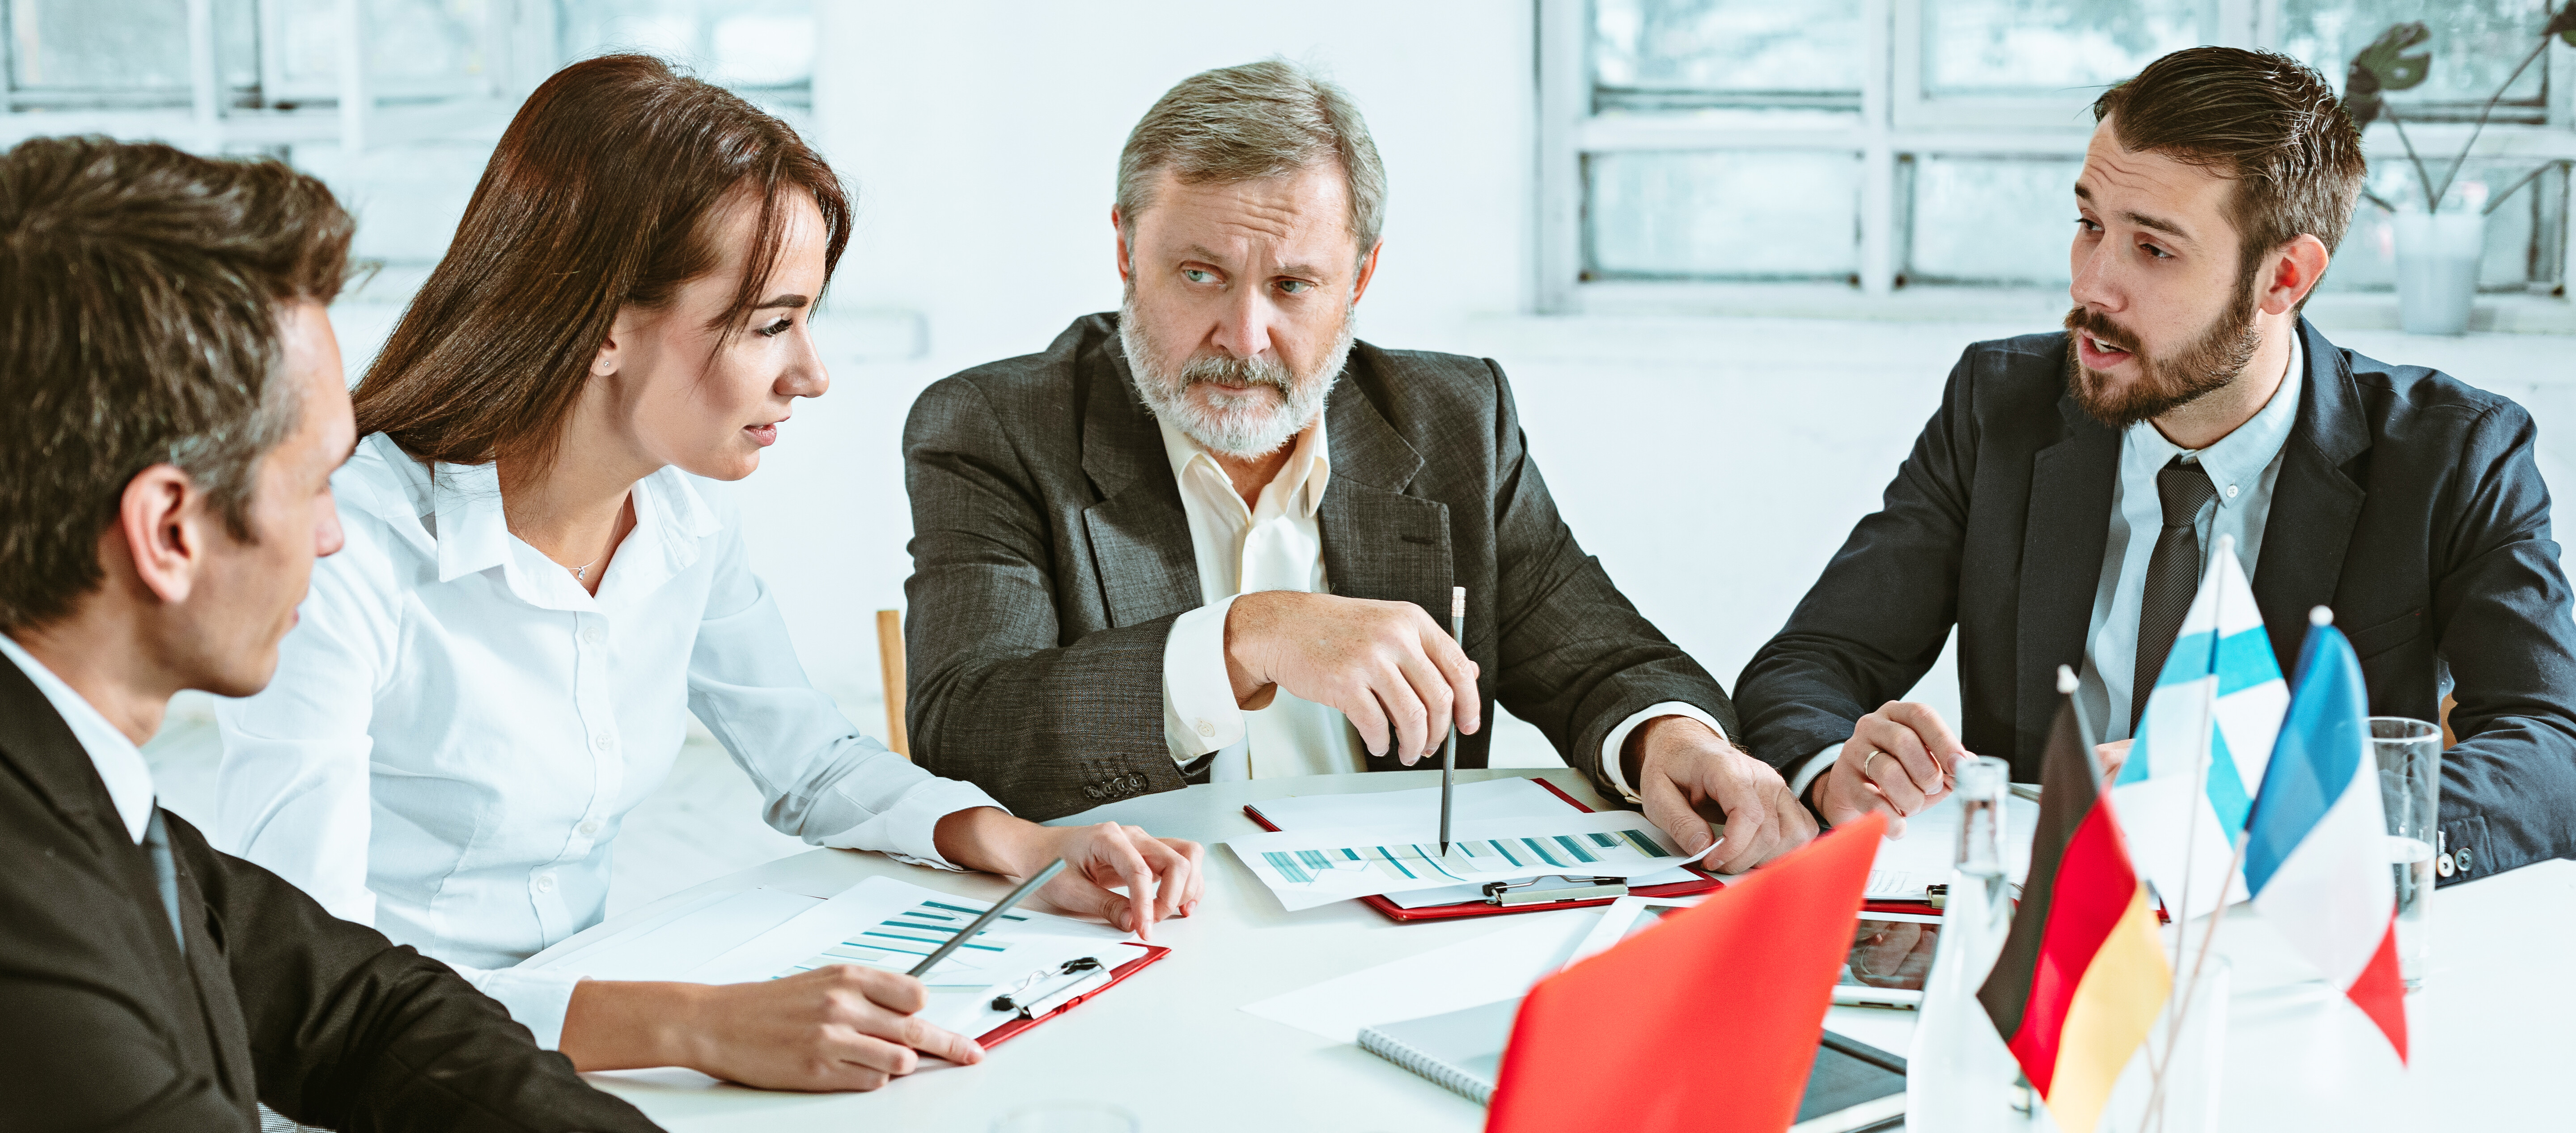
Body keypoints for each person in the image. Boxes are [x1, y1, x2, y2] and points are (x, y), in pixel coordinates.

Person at [213, 55, 1204, 1093]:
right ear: (601, 324)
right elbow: (310, 983)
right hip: (382, 1083)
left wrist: (1023, 844)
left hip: (573, 1052)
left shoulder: (681, 515)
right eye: (771, 323)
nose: (811, 373)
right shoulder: (344, 550)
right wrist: (694, 1027)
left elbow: (812, 761)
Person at [900, 59, 1813, 873]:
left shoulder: (1455, 420)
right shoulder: (997, 427)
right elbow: (970, 729)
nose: (1244, 336)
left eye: (1293, 285)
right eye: (1200, 275)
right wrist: (1245, 638)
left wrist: (1670, 740)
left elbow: (1599, 658)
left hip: (1384, 934)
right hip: (1135, 928)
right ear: (1126, 252)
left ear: (1361, 280)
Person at [1736, 47, 2576, 883]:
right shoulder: (2000, 406)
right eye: (2091, 224)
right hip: (2039, 937)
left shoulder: (2453, 452)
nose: (2094, 285)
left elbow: (2551, 752)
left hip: (2287, 938)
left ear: (2283, 276)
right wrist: (1834, 762)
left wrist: (2262, 805)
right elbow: (1809, 664)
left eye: (2155, 250)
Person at [0, 137, 661, 1131]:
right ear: (171, 531)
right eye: (315, 480)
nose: (335, 531)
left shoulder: (68, 783)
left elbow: (364, 1012)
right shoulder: (25, 928)